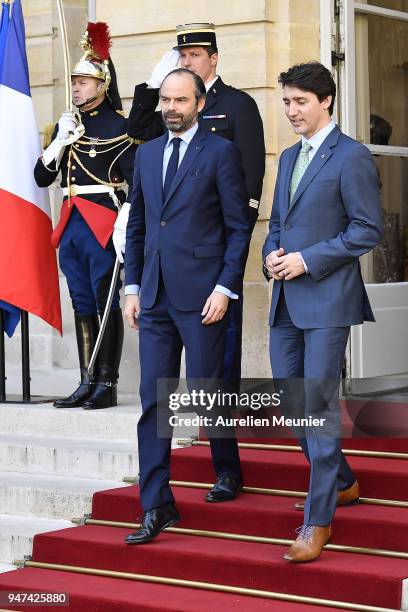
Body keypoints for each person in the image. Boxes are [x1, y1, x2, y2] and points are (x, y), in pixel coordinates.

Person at [124, 68, 250, 545]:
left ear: (199, 103)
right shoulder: (147, 154)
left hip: (203, 298)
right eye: (165, 100)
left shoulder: (220, 152)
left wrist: (225, 288)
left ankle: (228, 470)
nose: (171, 108)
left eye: (180, 100)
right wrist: (131, 286)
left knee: (207, 390)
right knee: (153, 402)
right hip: (153, 296)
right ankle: (157, 504)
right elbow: (137, 226)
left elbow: (239, 227)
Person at [263, 61, 383, 562]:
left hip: (329, 300)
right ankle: (344, 481)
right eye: (287, 102)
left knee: (316, 406)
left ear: (326, 101)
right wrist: (272, 253)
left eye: (300, 102)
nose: (291, 111)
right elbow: (277, 222)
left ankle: (318, 520)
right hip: (285, 300)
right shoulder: (289, 157)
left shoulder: (351, 156)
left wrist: (307, 260)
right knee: (292, 404)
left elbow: (366, 229)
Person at [114, 22, 265, 392]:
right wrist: (152, 87)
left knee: (218, 365)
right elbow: (138, 132)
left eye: (195, 55)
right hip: (163, 275)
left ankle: (217, 424)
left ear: (213, 59)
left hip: (212, 260)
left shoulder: (237, 104)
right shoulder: (167, 106)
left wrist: (226, 262)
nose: (187, 60)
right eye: (182, 55)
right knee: (158, 387)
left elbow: (248, 184)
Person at [34, 23, 137, 410]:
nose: (76, 87)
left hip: (102, 221)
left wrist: (127, 214)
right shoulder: (65, 124)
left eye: (84, 82)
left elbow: (134, 180)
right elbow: (42, 176)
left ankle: (107, 382)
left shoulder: (121, 127)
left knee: (104, 300)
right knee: (80, 301)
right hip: (71, 222)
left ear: (102, 84)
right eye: (74, 82)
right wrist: (60, 140)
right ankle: (85, 379)